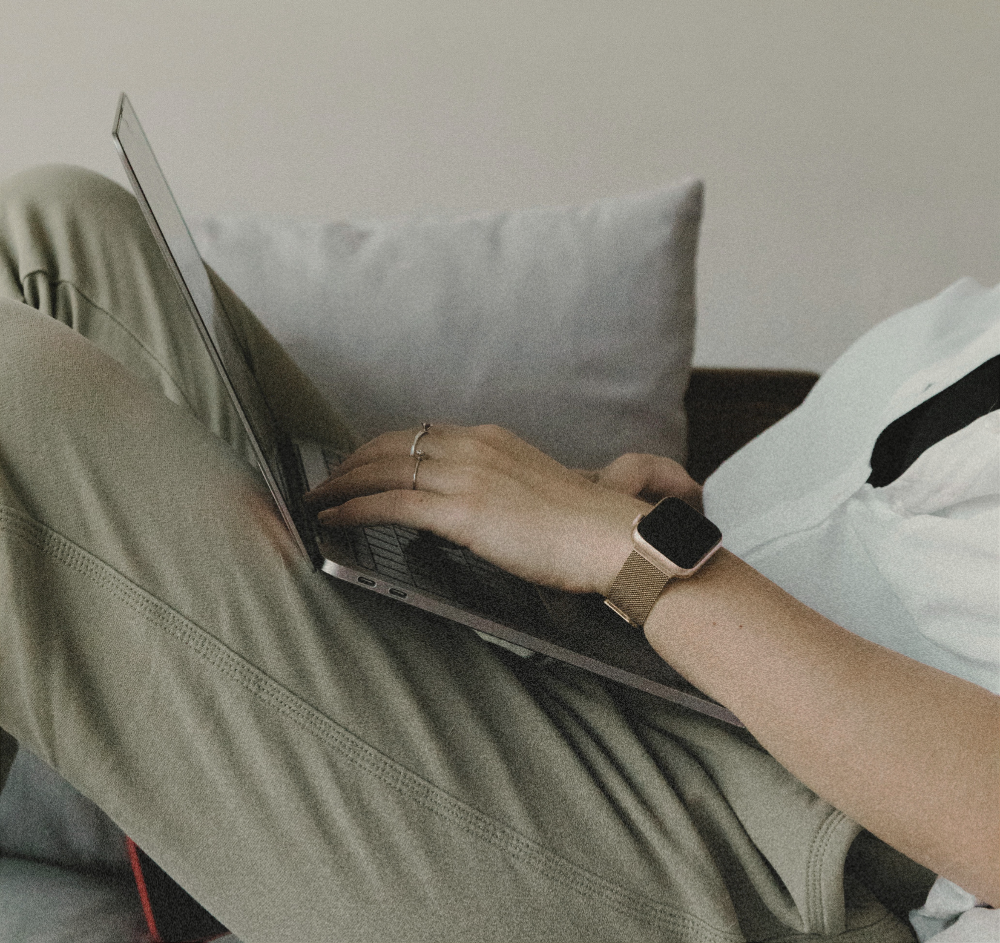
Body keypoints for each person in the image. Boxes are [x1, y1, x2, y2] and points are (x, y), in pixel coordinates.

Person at [0, 164, 996, 943]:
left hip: (788, 869)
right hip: (655, 674)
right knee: (59, 228)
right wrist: (694, 523)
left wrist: (643, 556)